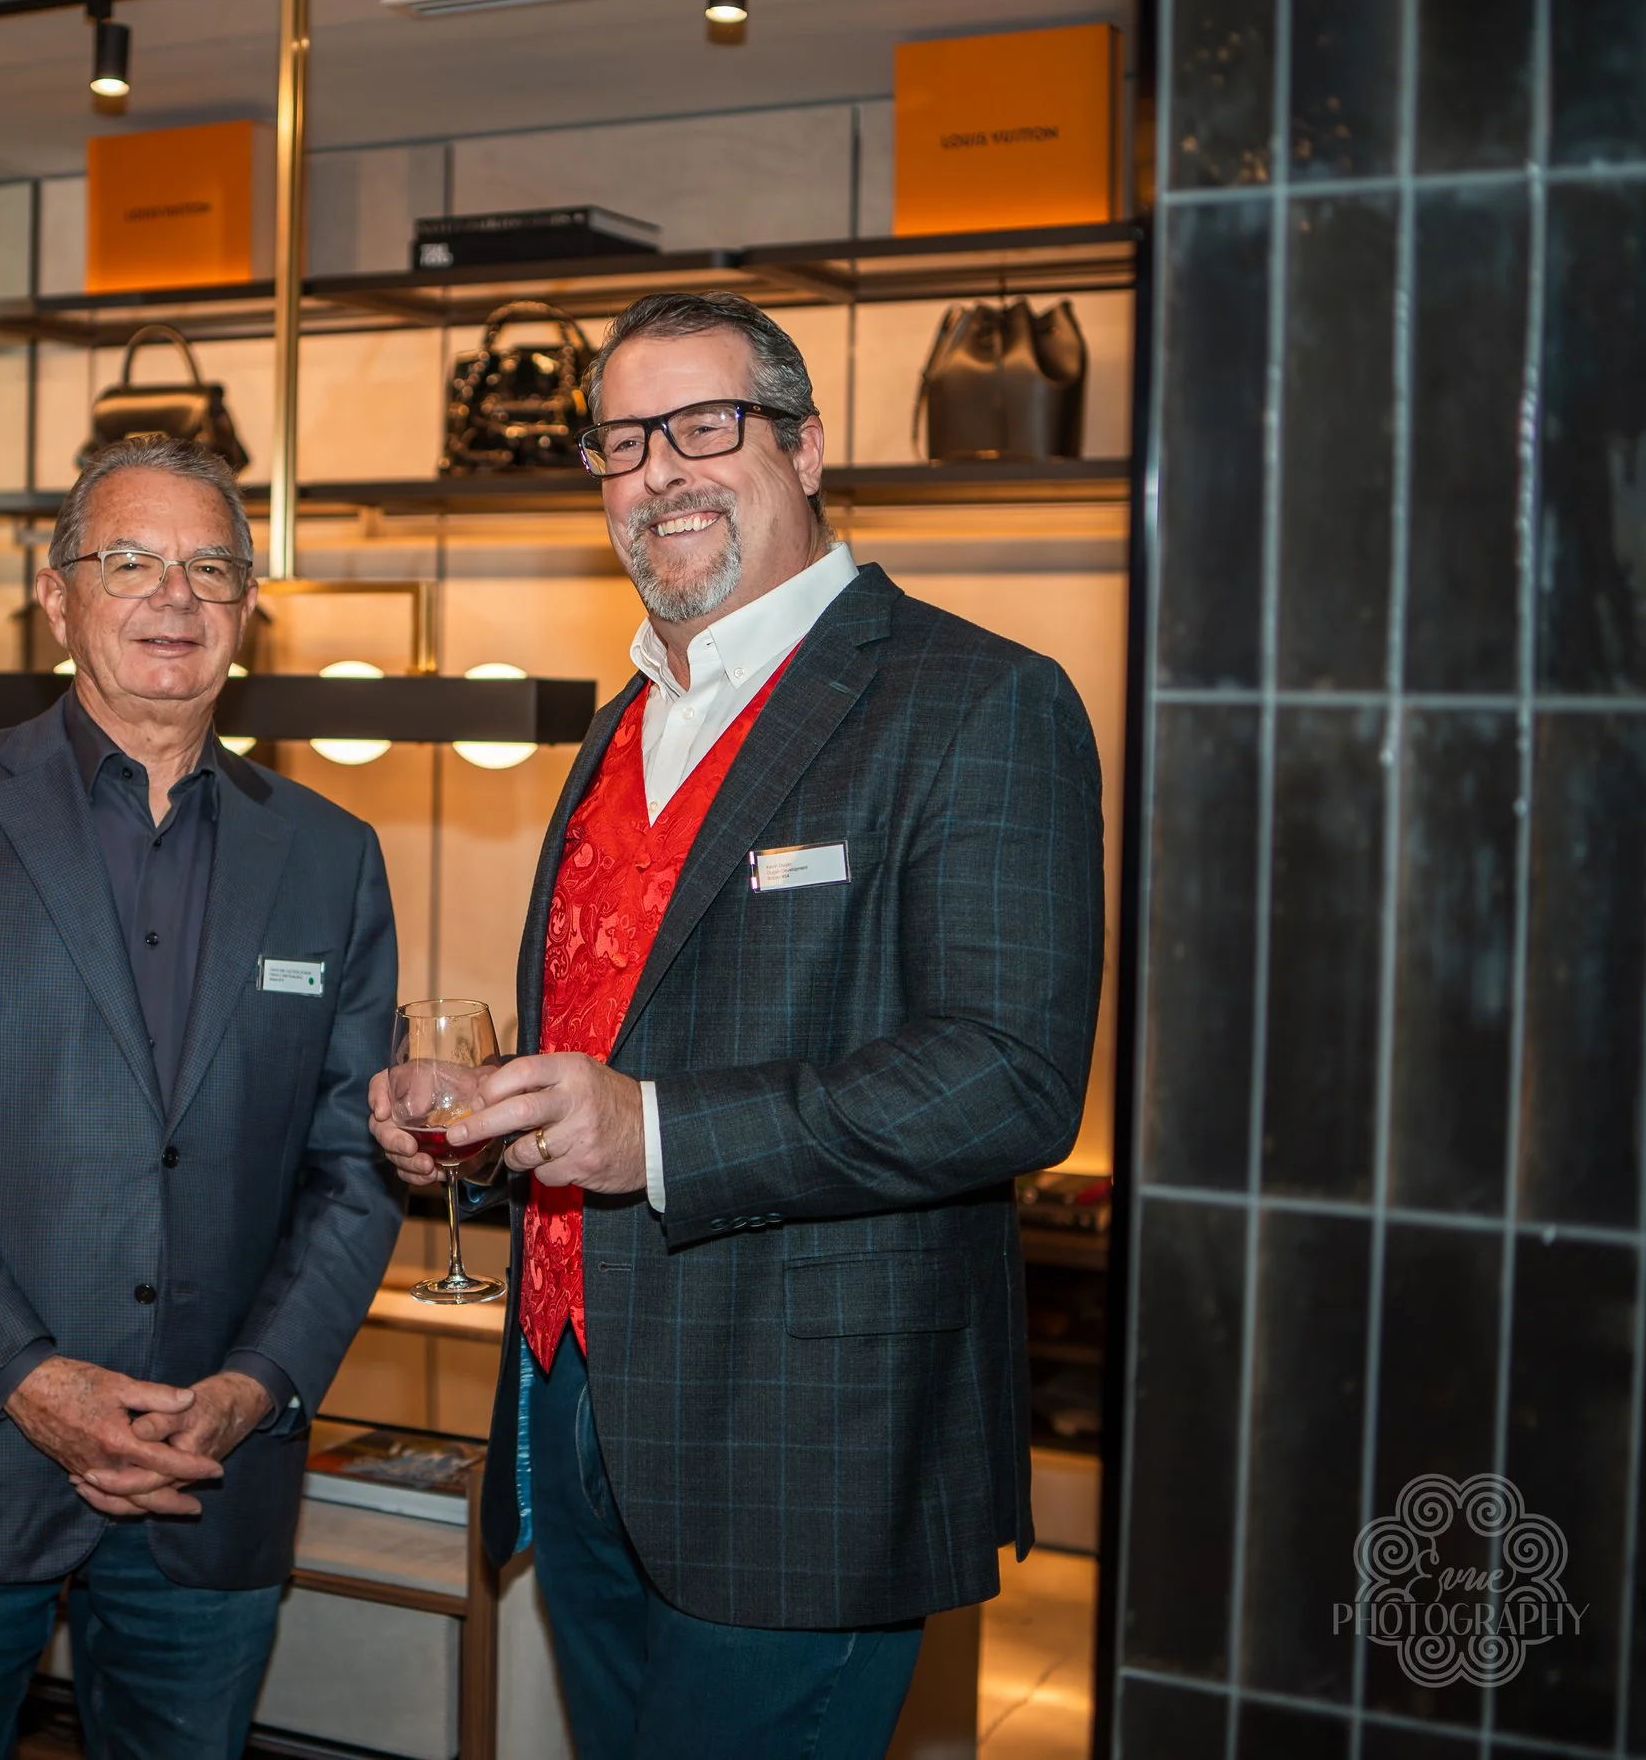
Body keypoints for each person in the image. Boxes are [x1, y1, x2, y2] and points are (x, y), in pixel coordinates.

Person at [371, 291, 1104, 1756]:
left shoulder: (978, 701)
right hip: (576, 1404)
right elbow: (635, 1005)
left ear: (810, 447)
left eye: (707, 425)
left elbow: (1011, 1079)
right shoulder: (625, 718)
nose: (660, 471)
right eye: (622, 443)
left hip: (800, 1441)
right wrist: (496, 1122)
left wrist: (650, 1130)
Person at [0, 434, 402, 1760]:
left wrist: (254, 1386)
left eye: (210, 569)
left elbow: (349, 1166)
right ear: (56, 593)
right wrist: (26, 1380)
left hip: (214, 1473)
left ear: (247, 612)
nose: (173, 599)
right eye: (129, 561)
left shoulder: (332, 857)